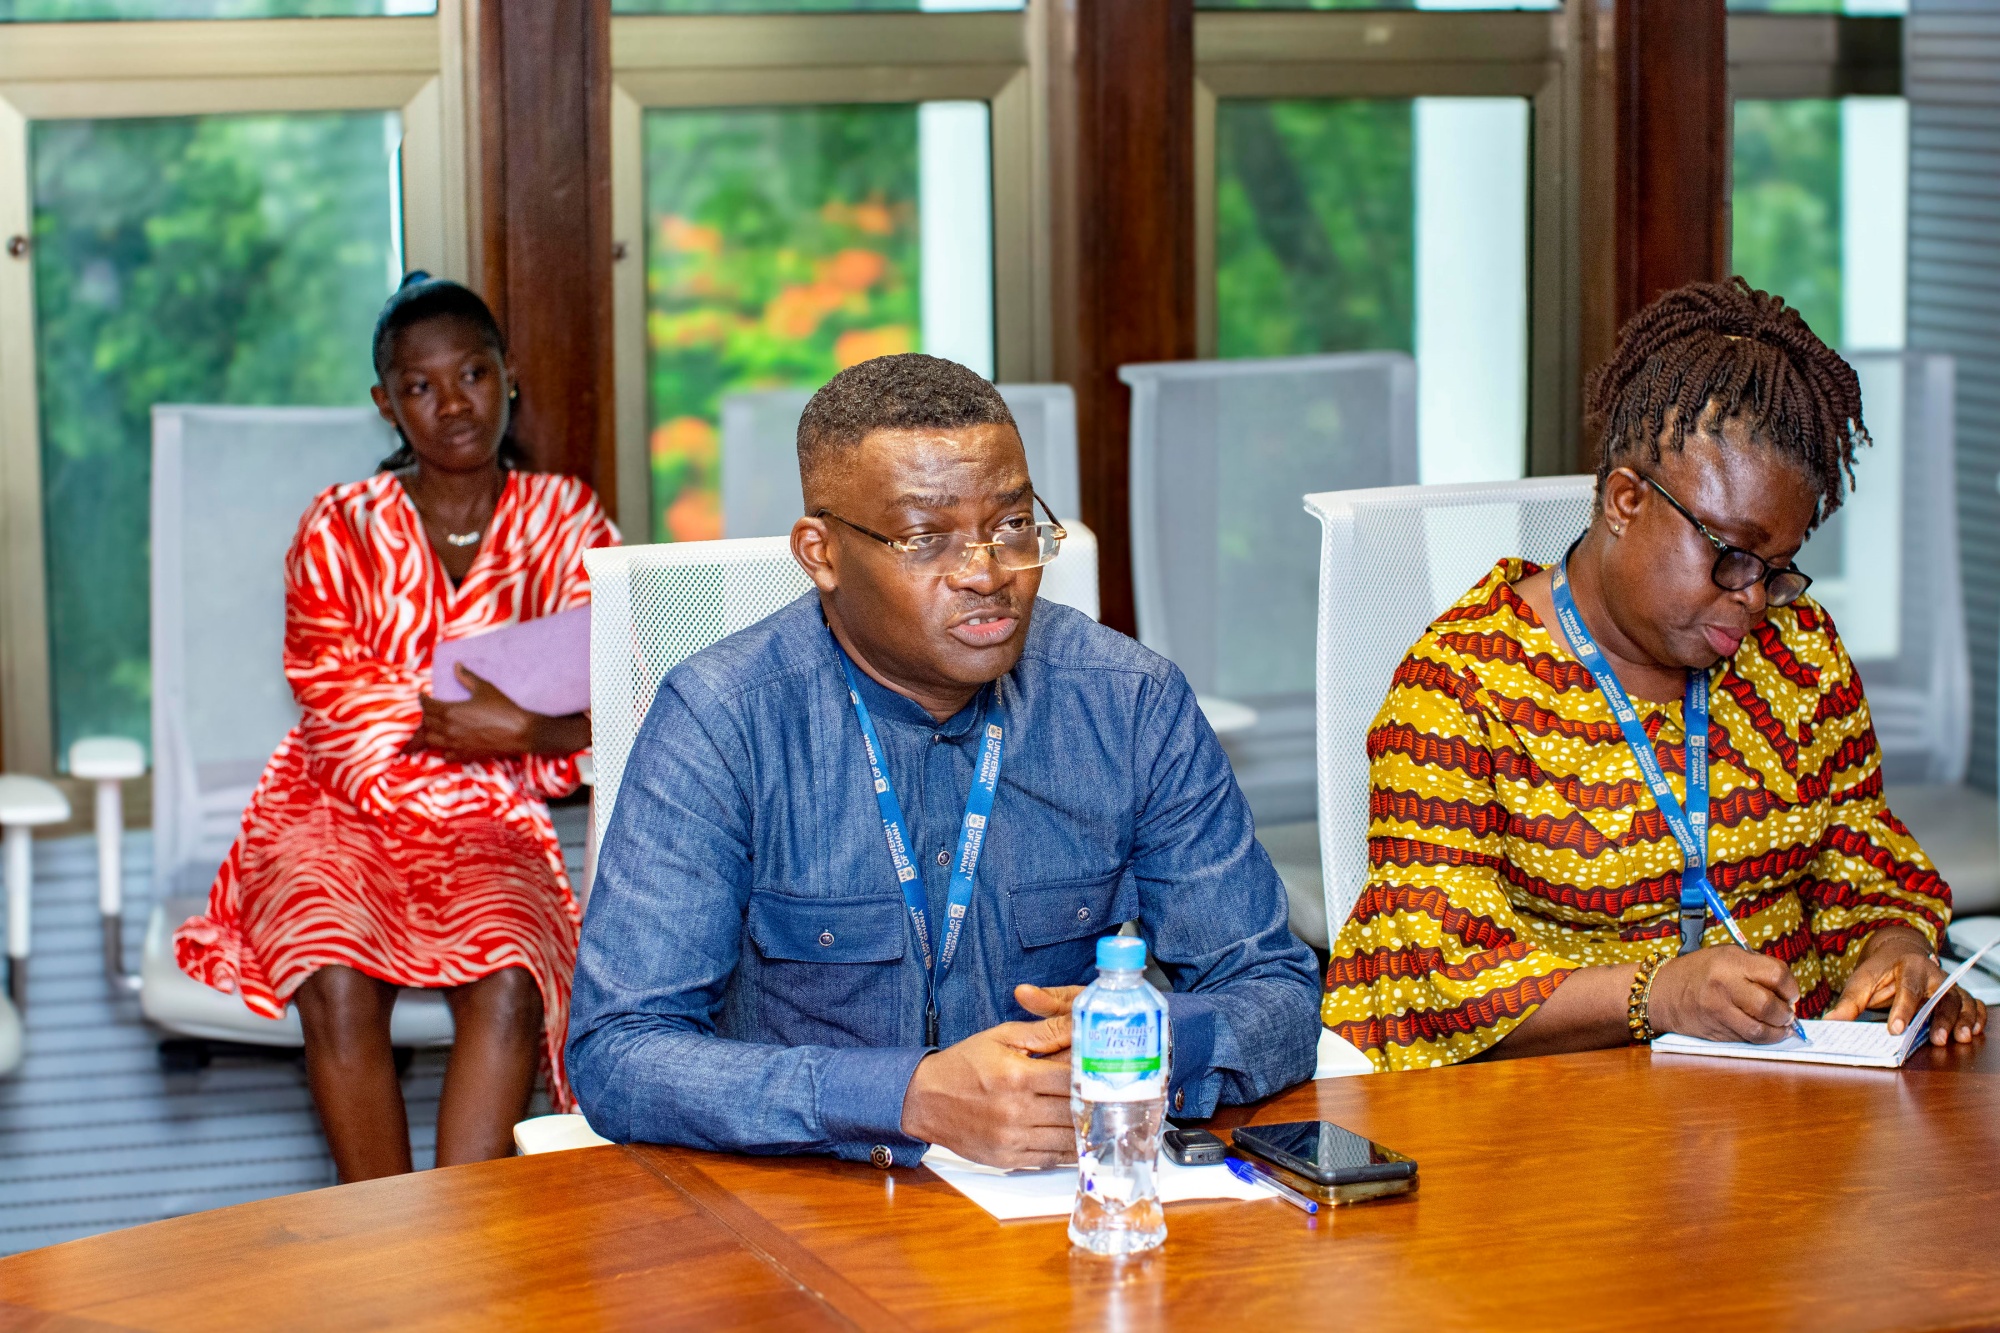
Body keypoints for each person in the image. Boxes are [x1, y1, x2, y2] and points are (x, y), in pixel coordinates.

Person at [569, 353, 1319, 1169]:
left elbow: (1276, 991)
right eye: (926, 539)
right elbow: (620, 1053)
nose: (987, 574)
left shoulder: (1130, 703)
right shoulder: (722, 720)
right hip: (809, 1210)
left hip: (1064, 1198)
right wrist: (910, 1096)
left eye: (1010, 525)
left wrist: (1146, 1040)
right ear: (819, 553)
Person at [1324, 277, 1986, 1070]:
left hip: (1796, 1104)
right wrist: (1659, 993)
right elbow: (1426, 976)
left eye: (1777, 570)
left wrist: (1898, 952)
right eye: (1732, 555)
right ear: (1627, 501)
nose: (1751, 599)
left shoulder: (1798, 650)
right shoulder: (1465, 687)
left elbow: (1862, 857)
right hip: (1562, 1125)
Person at [176, 275, 618, 1179]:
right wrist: (508, 724)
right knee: (333, 973)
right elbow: (332, 697)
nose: (452, 403)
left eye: (472, 374)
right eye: (420, 386)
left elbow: (622, 683)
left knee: (510, 973)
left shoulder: (567, 518)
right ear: (386, 403)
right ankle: (381, 1253)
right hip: (333, 809)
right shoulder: (339, 524)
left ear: (509, 377)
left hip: (490, 819)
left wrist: (524, 731)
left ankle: (459, 1248)